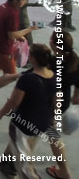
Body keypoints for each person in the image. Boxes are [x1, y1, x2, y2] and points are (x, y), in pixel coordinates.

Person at [0, 44, 56, 178]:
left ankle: (28, 175)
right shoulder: (53, 77)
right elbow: (56, 101)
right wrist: (53, 119)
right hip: (42, 122)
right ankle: (5, 165)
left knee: (22, 156)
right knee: (19, 143)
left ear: (32, 59)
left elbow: (14, 101)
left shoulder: (27, 79)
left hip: (23, 123)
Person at [45, 30, 78, 179]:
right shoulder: (75, 59)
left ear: (54, 44)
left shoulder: (53, 63)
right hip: (63, 104)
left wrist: (53, 114)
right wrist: (76, 96)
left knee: (53, 137)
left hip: (51, 105)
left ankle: (64, 172)